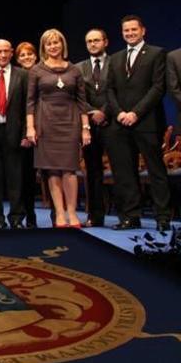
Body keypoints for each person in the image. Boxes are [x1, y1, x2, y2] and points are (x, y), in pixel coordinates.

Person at [104, 15, 172, 231]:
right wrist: (119, 113)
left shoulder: (157, 53)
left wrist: (135, 113)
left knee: (156, 171)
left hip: (147, 122)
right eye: (126, 30)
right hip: (120, 123)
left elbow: (158, 88)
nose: (130, 33)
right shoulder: (114, 58)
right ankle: (130, 217)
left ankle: (163, 217)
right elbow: (109, 90)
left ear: (143, 31)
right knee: (124, 172)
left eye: (134, 29)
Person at [26, 29, 90, 228]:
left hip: (70, 122)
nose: (53, 47)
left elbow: (82, 102)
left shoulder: (74, 70)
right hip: (46, 122)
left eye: (56, 43)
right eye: (49, 44)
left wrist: (85, 128)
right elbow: (30, 102)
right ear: (44, 47)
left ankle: (72, 213)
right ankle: (60, 213)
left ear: (63, 45)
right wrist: (30, 128)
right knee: (53, 171)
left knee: (70, 170)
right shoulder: (37, 70)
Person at [0, 39, 30, 229]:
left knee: (16, 178)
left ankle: (16, 217)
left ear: (12, 52)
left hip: (14, 132)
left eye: (7, 51)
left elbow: (27, 107)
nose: (3, 55)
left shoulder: (22, 75)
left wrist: (25, 133)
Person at [76, 29, 111, 227]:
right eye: (89, 41)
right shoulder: (79, 68)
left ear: (105, 42)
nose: (92, 44)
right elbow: (78, 96)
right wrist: (92, 112)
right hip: (89, 124)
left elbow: (117, 91)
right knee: (93, 172)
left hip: (112, 122)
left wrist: (104, 112)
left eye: (96, 40)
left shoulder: (115, 63)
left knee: (122, 171)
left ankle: (127, 215)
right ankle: (95, 216)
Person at [15, 40, 39, 227]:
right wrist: (26, 133)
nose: (26, 57)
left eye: (29, 54)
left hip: (47, 128)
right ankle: (29, 215)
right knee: (26, 176)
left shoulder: (44, 72)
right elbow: (21, 109)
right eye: (22, 55)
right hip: (26, 133)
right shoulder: (17, 77)